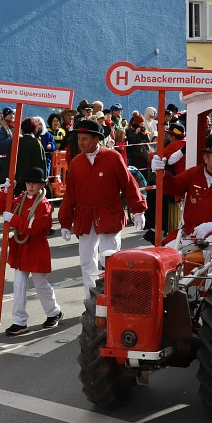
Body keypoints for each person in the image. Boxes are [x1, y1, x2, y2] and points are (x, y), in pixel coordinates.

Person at [58, 119, 147, 300]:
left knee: (110, 259)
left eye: (84, 138)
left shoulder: (113, 157)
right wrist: (65, 222)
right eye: (79, 139)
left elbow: (129, 184)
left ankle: (114, 298)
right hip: (85, 217)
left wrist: (138, 209)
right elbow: (70, 195)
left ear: (96, 139)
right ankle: (92, 300)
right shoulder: (76, 163)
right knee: (86, 260)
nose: (80, 143)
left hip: (110, 214)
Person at [1, 166, 62, 336]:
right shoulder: (21, 198)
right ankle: (19, 321)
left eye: (35, 183)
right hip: (21, 248)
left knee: (40, 284)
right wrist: (6, 191)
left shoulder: (44, 205)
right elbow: (3, 208)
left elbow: (34, 229)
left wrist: (13, 219)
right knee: (19, 284)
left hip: (36, 248)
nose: (30, 186)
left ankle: (54, 312)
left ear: (42, 185)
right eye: (28, 182)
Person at [155, 136, 212, 253]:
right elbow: (175, 187)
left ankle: (210, 273)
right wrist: (162, 173)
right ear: (205, 158)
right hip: (191, 231)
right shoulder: (194, 173)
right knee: (167, 254)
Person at [14, 117, 47, 193]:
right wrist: (43, 179)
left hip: (17, 179)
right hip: (32, 181)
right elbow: (41, 162)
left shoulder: (17, 142)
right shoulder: (36, 143)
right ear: (35, 129)